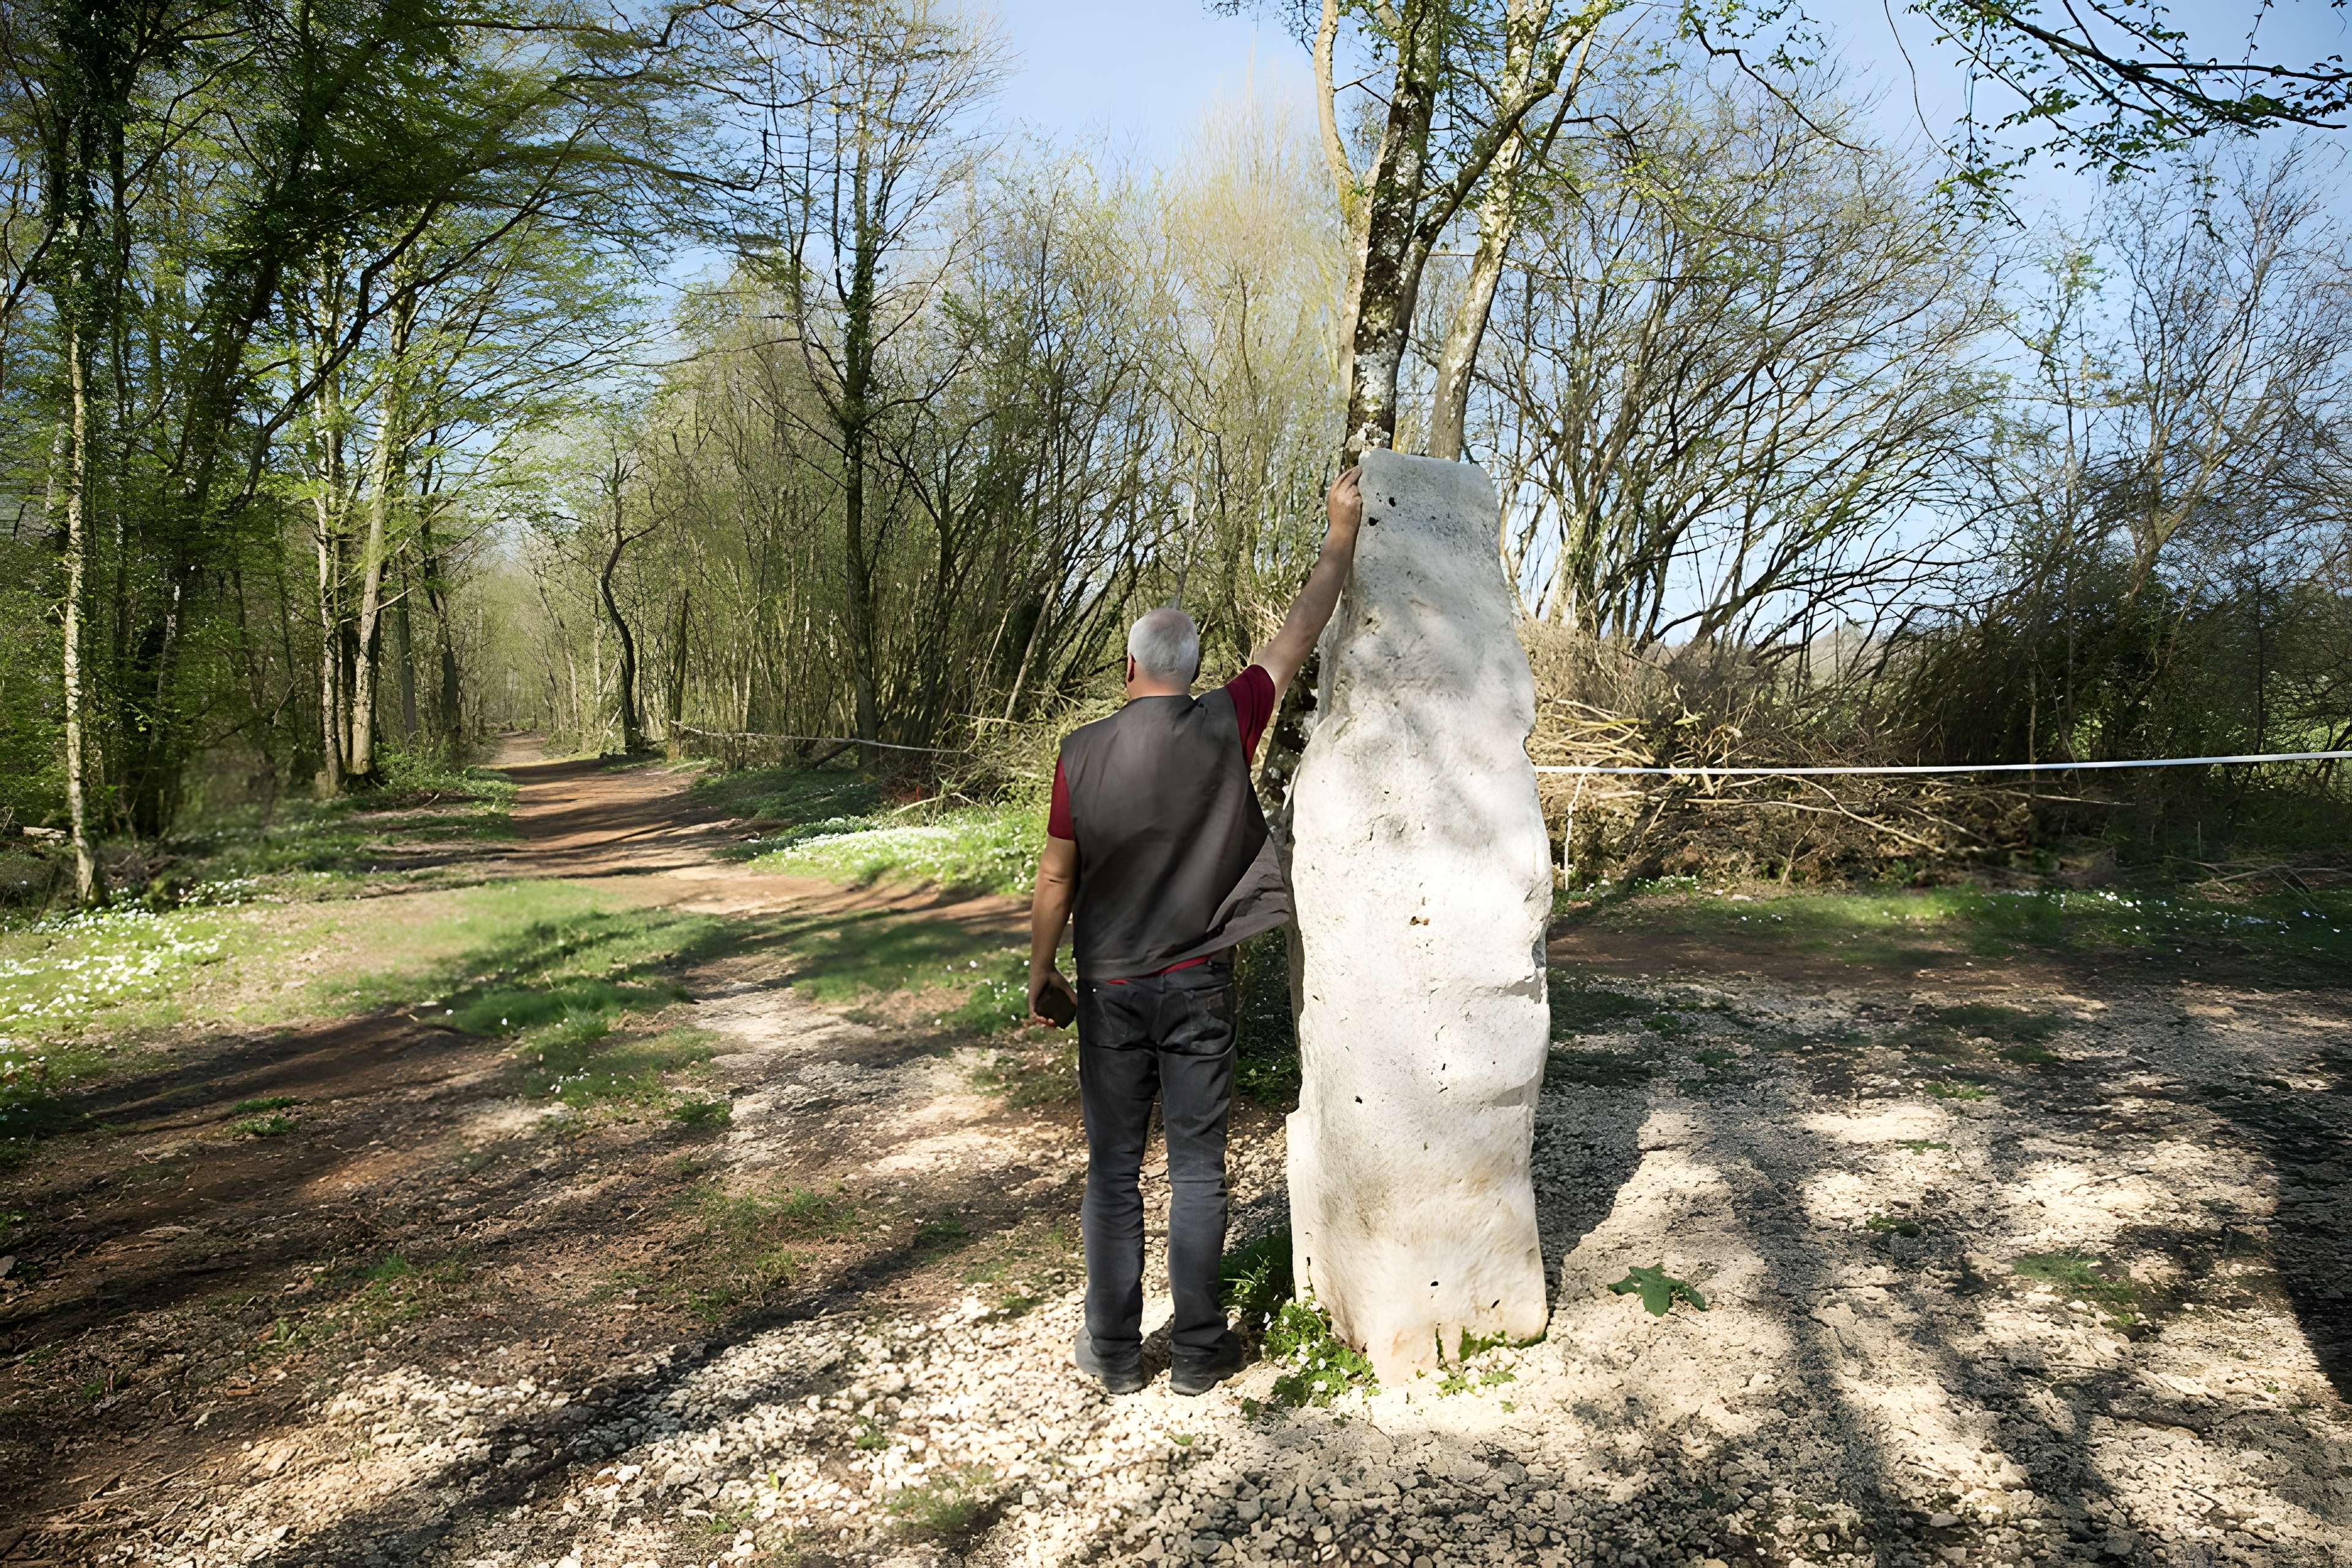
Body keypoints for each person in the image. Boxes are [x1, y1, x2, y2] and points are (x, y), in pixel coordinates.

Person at [1027, 466, 1365, 1396]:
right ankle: (1202, 1353)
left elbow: (1058, 872)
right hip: (1200, 986)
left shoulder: (1079, 754)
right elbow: (1299, 635)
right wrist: (1339, 536)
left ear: (1130, 669)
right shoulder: (1228, 721)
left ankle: (1113, 1352)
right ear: (1192, 668)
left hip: (1111, 989)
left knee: (1113, 1173)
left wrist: (1040, 974)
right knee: (1200, 1167)